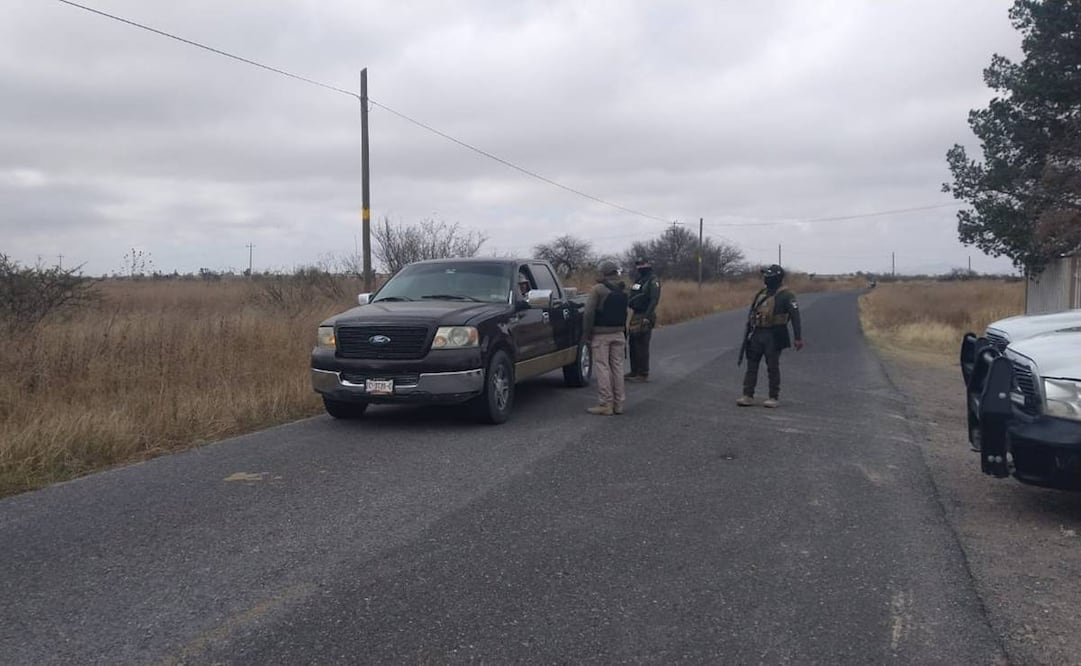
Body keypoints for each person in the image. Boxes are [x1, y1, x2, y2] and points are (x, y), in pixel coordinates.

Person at [737, 264, 803, 408]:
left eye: (768, 276)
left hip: (775, 334)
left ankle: (773, 396)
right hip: (757, 333)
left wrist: (798, 338)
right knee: (752, 365)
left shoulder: (787, 295)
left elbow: (795, 316)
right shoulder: (762, 293)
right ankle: (747, 395)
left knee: (772, 366)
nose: (766, 278)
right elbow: (752, 313)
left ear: (776, 277)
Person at [582, 260, 628, 415]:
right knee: (618, 367)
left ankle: (605, 403)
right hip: (619, 333)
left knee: (602, 367)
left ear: (603, 273)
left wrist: (587, 333)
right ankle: (619, 403)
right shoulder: (623, 289)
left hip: (601, 334)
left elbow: (589, 313)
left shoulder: (598, 290)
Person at [625, 256, 661, 382]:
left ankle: (643, 373)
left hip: (645, 314)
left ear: (648, 265)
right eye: (638, 264)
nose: (640, 267)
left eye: (642, 264)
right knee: (633, 343)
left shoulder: (653, 280)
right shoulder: (639, 279)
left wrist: (647, 316)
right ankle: (634, 371)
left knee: (642, 344)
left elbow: (654, 299)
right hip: (635, 314)